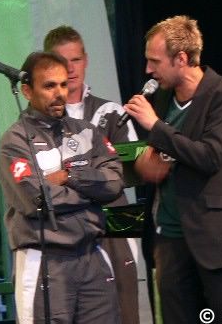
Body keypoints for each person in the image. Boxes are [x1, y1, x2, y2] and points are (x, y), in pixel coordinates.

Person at [123, 16, 222, 324]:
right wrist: (145, 161)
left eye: (155, 61)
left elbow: (209, 156)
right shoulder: (162, 97)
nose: (148, 70)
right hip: (169, 237)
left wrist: (155, 125)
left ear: (181, 58)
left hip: (214, 237)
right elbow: (158, 153)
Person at [0, 51, 123, 323]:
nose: (59, 93)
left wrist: (69, 176)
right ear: (27, 91)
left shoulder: (87, 131)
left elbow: (114, 183)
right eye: (49, 86)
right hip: (45, 260)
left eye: (64, 84)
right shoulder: (14, 140)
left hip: (92, 255)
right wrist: (92, 193)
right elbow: (37, 200)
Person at [43, 25, 140, 324]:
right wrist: (95, 171)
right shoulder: (39, 122)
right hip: (66, 229)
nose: (71, 69)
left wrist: (72, 173)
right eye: (63, 62)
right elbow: (46, 181)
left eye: (76, 59)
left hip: (117, 222)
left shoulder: (111, 112)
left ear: (86, 60)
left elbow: (127, 172)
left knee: (125, 311)